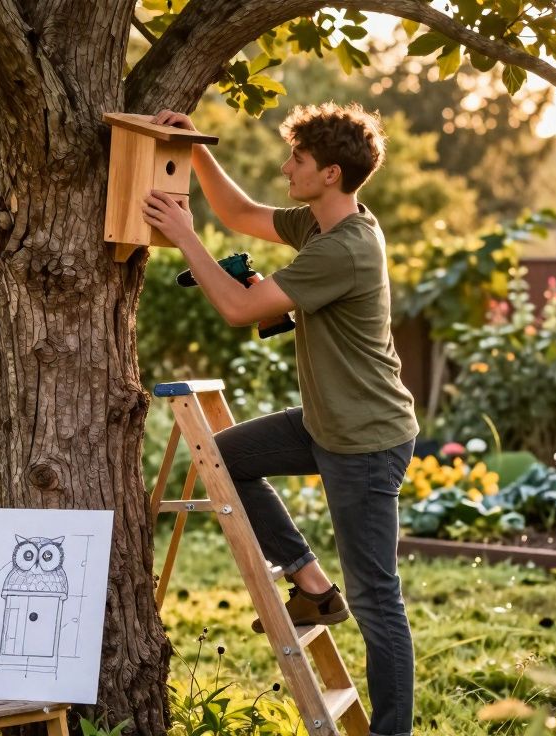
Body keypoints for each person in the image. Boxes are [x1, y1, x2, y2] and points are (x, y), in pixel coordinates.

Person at [141, 102, 420, 736]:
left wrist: (185, 236)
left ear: (329, 173)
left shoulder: (344, 247)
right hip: (327, 420)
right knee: (223, 459)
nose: (283, 166)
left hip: (364, 441)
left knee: (377, 599)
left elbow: (240, 309)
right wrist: (195, 150)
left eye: (296, 159)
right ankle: (312, 585)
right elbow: (240, 215)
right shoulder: (320, 226)